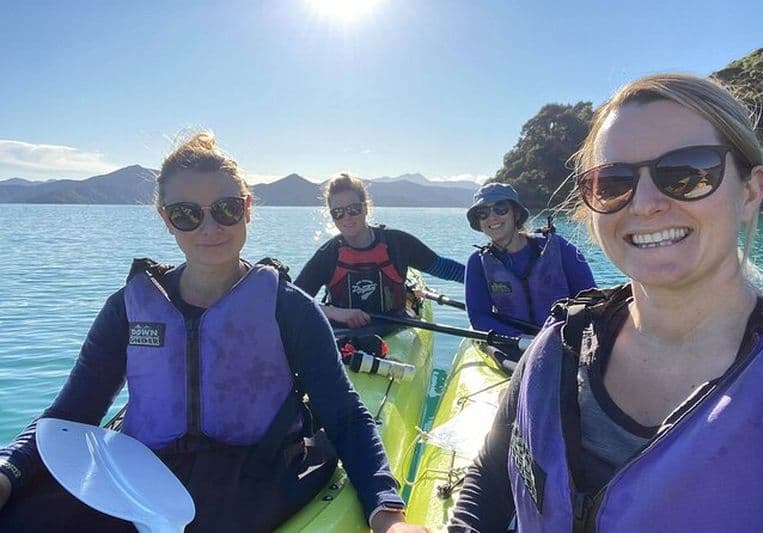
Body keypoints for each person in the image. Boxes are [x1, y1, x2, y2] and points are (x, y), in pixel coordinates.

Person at [0, 133, 426, 533]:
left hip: (256, 478)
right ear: (166, 220)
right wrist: (7, 470)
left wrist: (387, 512)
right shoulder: (127, 308)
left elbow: (345, 415)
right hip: (142, 473)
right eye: (186, 214)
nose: (209, 228)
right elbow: (70, 414)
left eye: (225, 209)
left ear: (247, 208)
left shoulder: (289, 307)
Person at [448, 73, 763, 532]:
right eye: (612, 183)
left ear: (750, 191)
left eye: (688, 173)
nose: (646, 203)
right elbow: (492, 480)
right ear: (592, 206)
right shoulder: (557, 347)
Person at [295, 173, 465, 328]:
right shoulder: (328, 254)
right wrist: (339, 314)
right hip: (345, 335)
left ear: (365, 208)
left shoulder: (398, 243)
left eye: (353, 209)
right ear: (331, 215)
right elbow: (293, 300)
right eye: (338, 212)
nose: (346, 217)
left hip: (396, 327)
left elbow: (444, 268)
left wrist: (486, 280)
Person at [464, 182, 595, 337]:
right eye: (483, 213)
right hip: (514, 345)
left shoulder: (559, 248)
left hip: (566, 340)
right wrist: (520, 338)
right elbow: (479, 317)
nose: (492, 217)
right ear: (478, 221)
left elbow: (591, 300)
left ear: (516, 214)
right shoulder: (477, 263)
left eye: (501, 209)